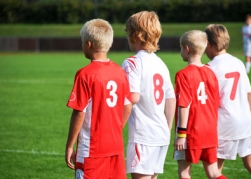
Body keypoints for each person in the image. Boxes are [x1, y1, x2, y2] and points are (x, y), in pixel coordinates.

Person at [65, 18, 132, 179]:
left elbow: (79, 112)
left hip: (91, 149)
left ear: (88, 44)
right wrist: (116, 129)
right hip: (115, 146)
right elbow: (128, 106)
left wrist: (69, 146)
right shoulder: (120, 72)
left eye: (82, 42)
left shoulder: (85, 74)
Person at [205, 24, 251, 179]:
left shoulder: (209, 68)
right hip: (245, 121)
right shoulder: (238, 62)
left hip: (225, 124)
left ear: (208, 44)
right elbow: (250, 94)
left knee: (215, 171)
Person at [122, 11, 176, 179]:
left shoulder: (132, 62)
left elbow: (133, 97)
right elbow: (171, 98)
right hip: (161, 135)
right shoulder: (161, 63)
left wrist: (116, 127)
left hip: (143, 136)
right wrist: (167, 128)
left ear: (135, 35)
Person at [173, 30, 227, 179]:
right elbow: (216, 102)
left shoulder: (183, 74)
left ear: (187, 49)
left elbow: (184, 105)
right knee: (214, 172)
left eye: (181, 48)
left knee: (184, 172)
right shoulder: (211, 73)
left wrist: (181, 135)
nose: (181, 51)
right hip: (209, 131)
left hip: (191, 132)